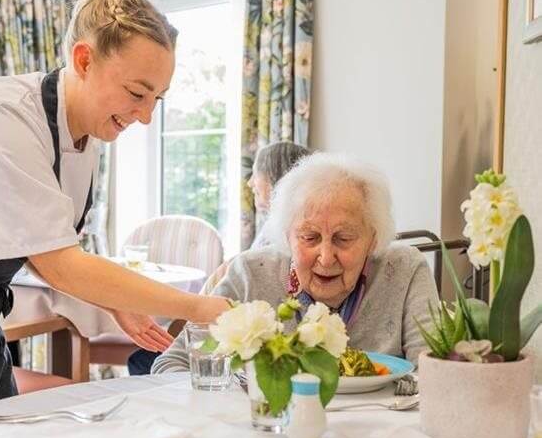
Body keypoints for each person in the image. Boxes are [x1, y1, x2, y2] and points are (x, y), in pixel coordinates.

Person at [0, 0, 227, 432]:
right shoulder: (2, 118)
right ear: (84, 60)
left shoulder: (86, 141)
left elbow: (39, 244)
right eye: (136, 93)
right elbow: (61, 263)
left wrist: (116, 302)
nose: (143, 117)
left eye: (155, 100)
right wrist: (200, 307)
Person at [151, 152, 439, 374]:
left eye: (344, 238)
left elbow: (433, 373)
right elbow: (172, 364)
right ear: (287, 235)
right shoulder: (251, 274)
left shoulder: (404, 269)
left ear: (373, 239)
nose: (326, 258)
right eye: (310, 237)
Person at [126, 140, 312, 375]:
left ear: (275, 178)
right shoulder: (271, 232)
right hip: (210, 331)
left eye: (256, 174)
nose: (250, 183)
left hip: (225, 339)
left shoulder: (280, 239)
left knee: (142, 360)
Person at [247, 141, 313, 249]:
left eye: (256, 173)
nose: (250, 183)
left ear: (276, 176)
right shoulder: (274, 225)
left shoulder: (293, 234)